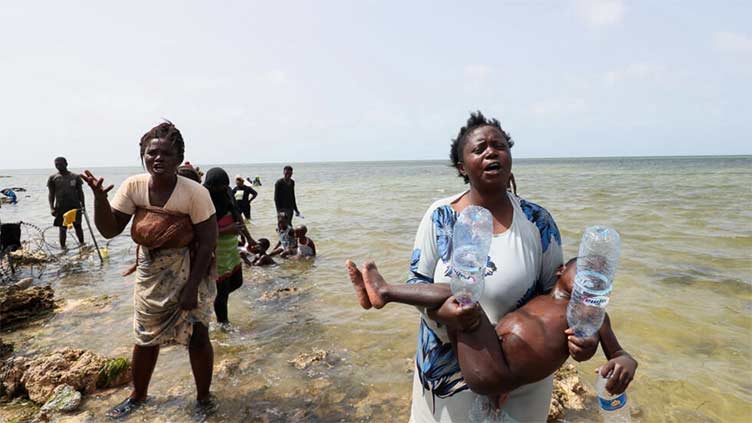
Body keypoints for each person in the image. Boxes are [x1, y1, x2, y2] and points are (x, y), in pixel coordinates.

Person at [350, 112, 600, 422]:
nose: (491, 152)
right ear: (462, 167)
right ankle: (383, 291)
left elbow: (560, 296)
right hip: (448, 374)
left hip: (520, 379)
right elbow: (417, 280)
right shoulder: (439, 216)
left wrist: (584, 341)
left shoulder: (538, 221)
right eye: (479, 148)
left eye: (499, 145)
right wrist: (441, 313)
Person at [346, 258, 637, 406]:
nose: (592, 280)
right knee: (458, 298)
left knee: (463, 299)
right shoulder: (540, 298)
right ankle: (382, 293)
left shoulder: (592, 314)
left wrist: (624, 362)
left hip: (499, 371)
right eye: (586, 271)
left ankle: (385, 292)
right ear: (561, 271)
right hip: (488, 362)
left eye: (600, 279)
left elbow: (619, 353)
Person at [81, 122, 218, 418]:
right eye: (151, 153)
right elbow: (108, 230)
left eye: (166, 154)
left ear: (179, 158)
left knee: (197, 336)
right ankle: (138, 395)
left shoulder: (194, 193)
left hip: (191, 270)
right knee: (144, 337)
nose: (158, 159)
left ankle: (204, 399)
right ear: (143, 155)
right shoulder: (134, 186)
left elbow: (208, 242)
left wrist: (192, 287)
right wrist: (100, 199)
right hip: (150, 273)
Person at [204, 168, 247, 328]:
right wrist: (227, 230)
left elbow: (238, 216)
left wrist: (248, 237)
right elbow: (202, 231)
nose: (222, 189)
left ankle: (215, 301)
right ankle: (223, 325)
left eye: (224, 186)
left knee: (237, 281)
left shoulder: (228, 194)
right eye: (218, 187)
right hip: (217, 251)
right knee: (222, 293)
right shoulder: (205, 200)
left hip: (231, 248)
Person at [47, 157, 85, 249]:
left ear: (66, 164)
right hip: (60, 207)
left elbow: (80, 192)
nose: (58, 166)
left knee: (78, 226)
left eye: (60, 164)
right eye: (56, 164)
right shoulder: (53, 178)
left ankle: (82, 246)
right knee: (62, 229)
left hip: (75, 206)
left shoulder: (75, 177)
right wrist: (52, 208)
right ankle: (63, 249)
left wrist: (83, 205)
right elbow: (51, 194)